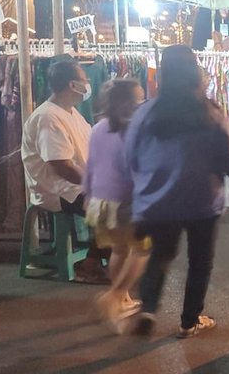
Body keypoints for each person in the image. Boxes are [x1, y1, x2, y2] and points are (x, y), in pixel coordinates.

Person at [126, 45, 229, 338]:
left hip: (159, 198)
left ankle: (148, 309)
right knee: (200, 262)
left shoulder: (147, 112)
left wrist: (140, 188)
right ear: (195, 73)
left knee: (161, 254)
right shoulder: (210, 111)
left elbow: (130, 154)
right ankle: (189, 321)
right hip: (202, 198)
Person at [22, 59, 108, 283]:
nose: (88, 84)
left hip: (76, 182)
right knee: (114, 210)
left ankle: (101, 257)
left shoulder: (71, 113)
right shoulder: (48, 117)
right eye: (85, 80)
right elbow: (61, 166)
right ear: (73, 85)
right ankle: (90, 265)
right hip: (59, 188)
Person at [84, 79, 150, 332]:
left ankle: (122, 300)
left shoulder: (98, 127)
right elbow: (136, 171)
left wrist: (87, 193)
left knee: (119, 251)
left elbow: (90, 165)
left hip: (100, 202)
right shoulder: (134, 131)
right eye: (139, 97)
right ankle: (114, 296)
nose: (142, 101)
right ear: (126, 103)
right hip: (126, 201)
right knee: (142, 251)